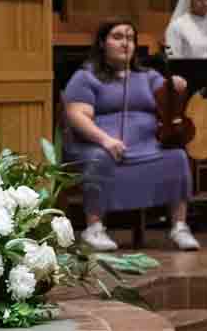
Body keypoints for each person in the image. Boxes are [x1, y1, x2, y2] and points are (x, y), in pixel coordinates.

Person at [60, 18, 199, 252]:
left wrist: (175, 87)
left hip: (146, 146)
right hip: (98, 144)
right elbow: (77, 115)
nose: (125, 43)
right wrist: (105, 139)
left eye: (130, 38)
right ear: (103, 43)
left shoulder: (147, 76)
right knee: (99, 157)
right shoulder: (86, 76)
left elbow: (167, 98)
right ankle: (94, 228)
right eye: (117, 37)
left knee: (177, 156)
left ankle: (179, 226)